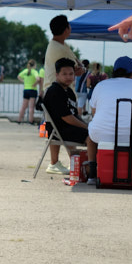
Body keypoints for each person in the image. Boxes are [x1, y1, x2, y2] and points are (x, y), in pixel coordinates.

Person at [42, 57, 97, 176]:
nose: (68, 77)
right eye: (64, 74)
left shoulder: (69, 91)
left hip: (67, 127)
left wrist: (89, 125)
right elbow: (67, 118)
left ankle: (85, 166)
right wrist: (87, 128)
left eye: (71, 74)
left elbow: (75, 115)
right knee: (92, 136)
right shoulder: (55, 91)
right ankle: (92, 171)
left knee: (95, 131)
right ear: (57, 75)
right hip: (58, 129)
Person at [44, 15, 85, 167]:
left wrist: (80, 67)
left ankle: (68, 162)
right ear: (66, 29)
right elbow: (76, 67)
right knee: (57, 126)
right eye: (69, 26)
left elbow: (77, 65)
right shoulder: (58, 48)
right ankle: (55, 163)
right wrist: (79, 69)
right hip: (56, 91)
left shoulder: (60, 45)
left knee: (57, 127)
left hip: (63, 90)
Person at [88, 56, 132, 166]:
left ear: (114, 71)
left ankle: (92, 171)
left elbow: (94, 112)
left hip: (100, 134)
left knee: (91, 136)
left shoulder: (101, 85)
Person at [17, 59, 42, 125]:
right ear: (34, 65)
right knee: (31, 107)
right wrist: (35, 84)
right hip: (32, 90)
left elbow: (18, 76)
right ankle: (31, 121)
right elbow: (38, 79)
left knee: (23, 106)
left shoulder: (25, 71)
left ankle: (19, 120)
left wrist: (23, 81)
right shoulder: (34, 71)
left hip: (26, 89)